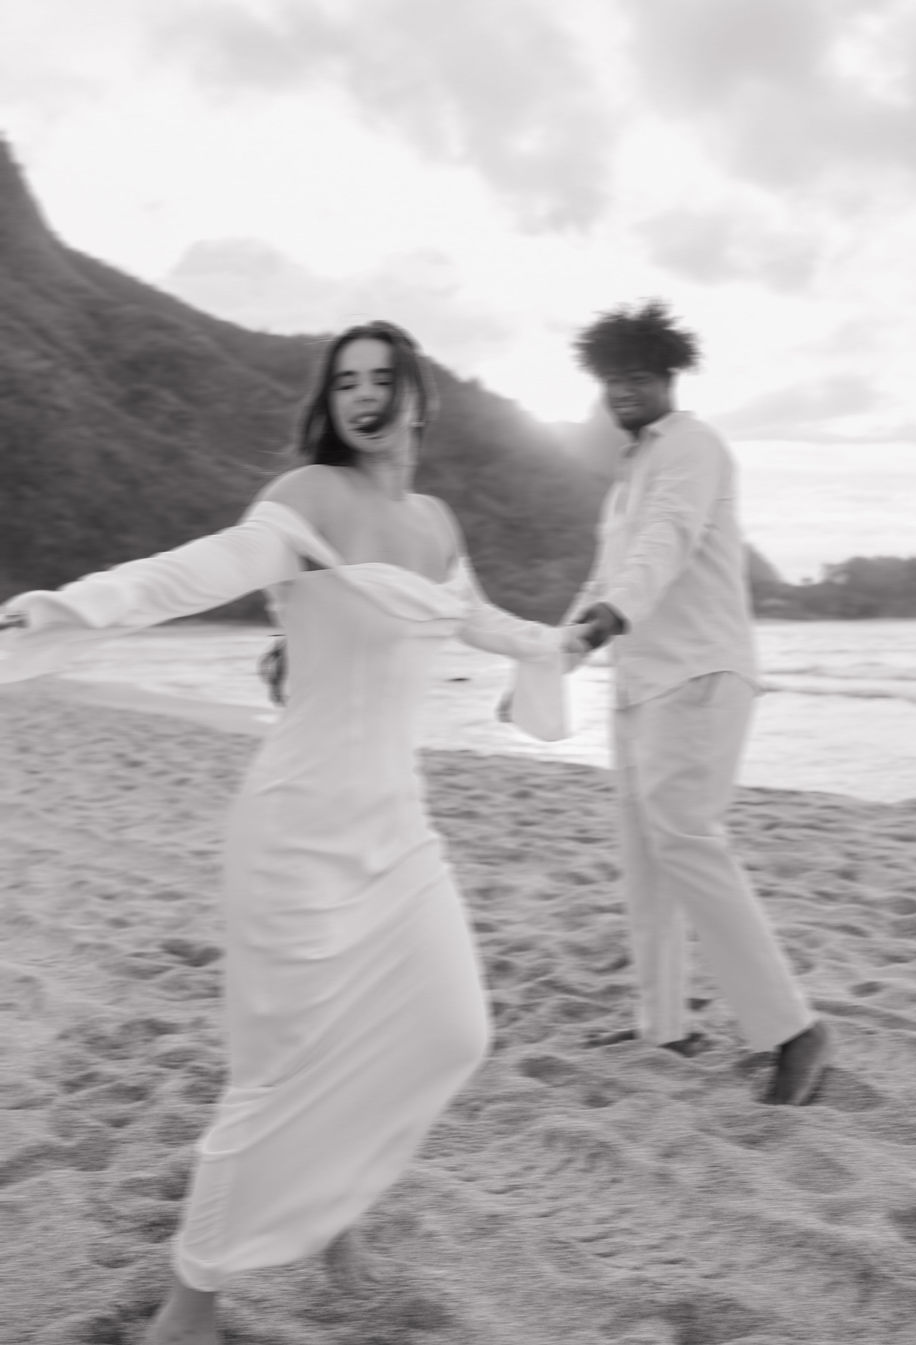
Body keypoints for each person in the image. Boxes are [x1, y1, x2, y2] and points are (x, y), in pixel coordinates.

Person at [0, 321, 587, 1345]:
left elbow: (477, 622)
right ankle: (192, 1302)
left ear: (417, 398)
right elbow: (198, 570)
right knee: (277, 1070)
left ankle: (331, 1211)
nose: (363, 394)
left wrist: (558, 642)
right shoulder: (306, 501)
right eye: (344, 380)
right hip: (296, 830)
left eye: (382, 377)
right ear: (330, 401)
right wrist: (70, 607)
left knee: (451, 1027)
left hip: (397, 827)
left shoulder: (438, 520)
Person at [564, 300, 832, 1106]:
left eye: (638, 376)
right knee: (645, 857)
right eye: (612, 379)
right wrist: (554, 649)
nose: (624, 392)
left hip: (700, 677)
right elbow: (607, 575)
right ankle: (663, 1021)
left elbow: (667, 542)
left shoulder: (694, 448)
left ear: (669, 375)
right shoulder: (627, 474)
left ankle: (793, 1029)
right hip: (641, 684)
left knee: (688, 843)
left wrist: (615, 615)